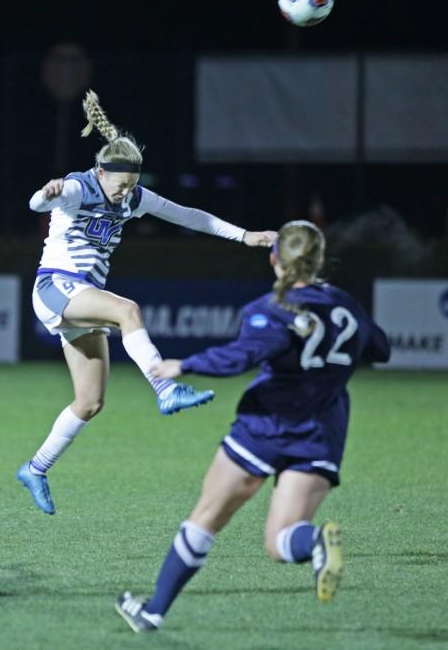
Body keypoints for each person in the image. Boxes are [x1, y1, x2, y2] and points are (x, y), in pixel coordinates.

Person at [115, 220, 391, 633]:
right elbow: (381, 349)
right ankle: (314, 543)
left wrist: (185, 364)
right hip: (321, 433)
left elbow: (241, 357)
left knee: (205, 518)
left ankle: (154, 610)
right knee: (281, 541)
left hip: (265, 426)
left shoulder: (268, 309)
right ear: (318, 260)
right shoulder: (345, 306)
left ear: (274, 259)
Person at [17, 90, 276, 515]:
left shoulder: (134, 197)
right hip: (56, 286)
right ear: (101, 172)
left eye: (132, 186)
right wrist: (46, 194)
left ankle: (36, 468)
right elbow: (34, 204)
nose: (125, 194)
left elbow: (190, 215)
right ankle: (166, 389)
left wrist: (246, 236)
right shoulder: (79, 188)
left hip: (82, 297)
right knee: (127, 310)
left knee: (90, 402)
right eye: (120, 186)